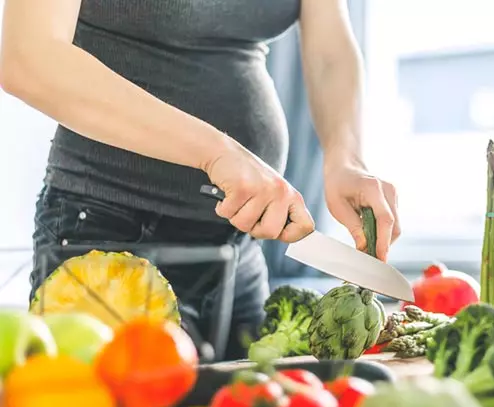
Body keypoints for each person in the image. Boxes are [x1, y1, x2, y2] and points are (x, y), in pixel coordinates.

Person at [0, 0, 401, 360]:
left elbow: (330, 52)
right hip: (110, 242)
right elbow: (28, 57)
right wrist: (215, 152)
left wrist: (345, 158)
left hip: (238, 251)